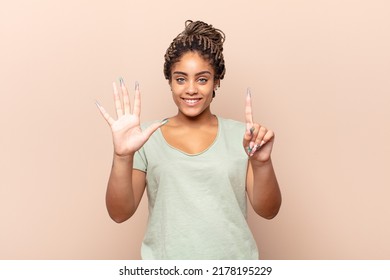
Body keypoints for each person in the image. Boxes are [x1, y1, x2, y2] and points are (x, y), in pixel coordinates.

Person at [96, 20, 281, 260]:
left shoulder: (244, 137)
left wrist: (262, 163)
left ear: (217, 81)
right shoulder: (144, 138)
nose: (190, 89)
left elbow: (268, 211)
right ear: (170, 82)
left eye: (202, 79)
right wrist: (122, 156)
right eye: (181, 79)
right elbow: (119, 213)